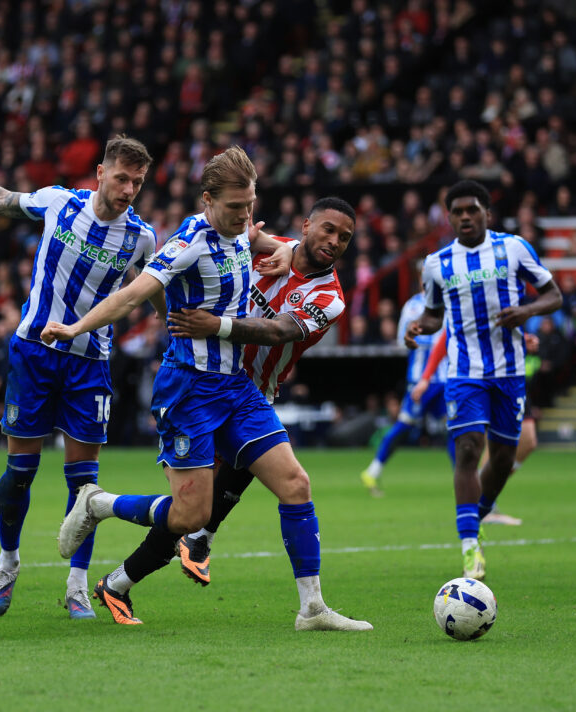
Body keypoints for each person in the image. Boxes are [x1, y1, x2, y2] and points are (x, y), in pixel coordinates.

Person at [43, 147, 371, 631]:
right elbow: (134, 291)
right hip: (190, 389)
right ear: (208, 200)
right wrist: (76, 328)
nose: (246, 218)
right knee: (189, 513)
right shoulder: (190, 242)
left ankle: (312, 608)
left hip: (241, 389)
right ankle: (98, 505)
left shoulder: (275, 254)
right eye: (236, 208)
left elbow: (276, 310)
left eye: (250, 207)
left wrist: (265, 259)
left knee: (295, 484)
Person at [0, 134, 166, 618]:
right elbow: (0, 198)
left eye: (137, 181)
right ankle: (8, 562)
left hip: (90, 362)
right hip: (34, 352)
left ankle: (76, 586)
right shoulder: (59, 203)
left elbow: (155, 287)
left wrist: (172, 321)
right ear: (100, 173)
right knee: (20, 473)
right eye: (121, 177)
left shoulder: (142, 238)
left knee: (85, 485)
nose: (128, 188)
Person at [405, 179, 562, 580]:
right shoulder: (437, 264)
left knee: (505, 457)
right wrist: (418, 327)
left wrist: (526, 312)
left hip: (509, 372)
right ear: (449, 218)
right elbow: (435, 315)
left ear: (486, 214)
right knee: (470, 449)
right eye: (456, 212)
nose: (464, 217)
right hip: (463, 372)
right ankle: (470, 546)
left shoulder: (513, 249)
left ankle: (478, 514)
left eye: (471, 210)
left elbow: (554, 296)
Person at [409, 331, 543, 526]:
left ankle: (481, 494)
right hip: (478, 375)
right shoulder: (467, 305)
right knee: (487, 440)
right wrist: (426, 377)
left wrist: (523, 339)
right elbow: (447, 335)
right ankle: (484, 505)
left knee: (528, 441)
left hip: (510, 373)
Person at [359, 282, 448, 498]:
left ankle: (466, 480)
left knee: (455, 428)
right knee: (404, 426)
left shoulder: (448, 304)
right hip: (421, 380)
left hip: (445, 379)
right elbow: (403, 341)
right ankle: (372, 470)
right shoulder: (414, 306)